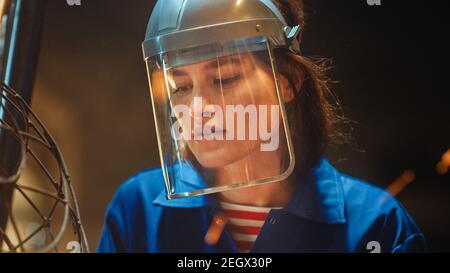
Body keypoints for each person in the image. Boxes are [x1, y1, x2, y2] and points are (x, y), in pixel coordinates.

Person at [97, 0, 426, 253]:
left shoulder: (376, 224)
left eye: (224, 79)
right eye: (181, 87)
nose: (196, 109)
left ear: (287, 82)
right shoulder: (137, 208)